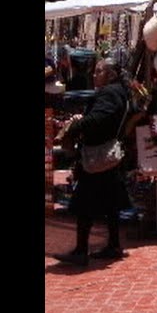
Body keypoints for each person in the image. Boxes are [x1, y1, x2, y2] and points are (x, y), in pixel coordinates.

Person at [51, 58, 134, 267]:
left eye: (99, 72)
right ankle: (113, 245)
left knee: (83, 204)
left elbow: (98, 119)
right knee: (111, 202)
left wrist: (75, 126)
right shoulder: (119, 92)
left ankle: (80, 251)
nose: (94, 75)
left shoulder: (109, 93)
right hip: (108, 156)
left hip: (98, 156)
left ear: (111, 74)